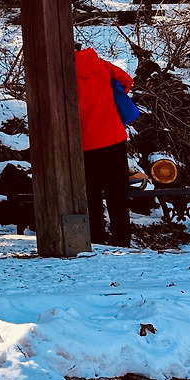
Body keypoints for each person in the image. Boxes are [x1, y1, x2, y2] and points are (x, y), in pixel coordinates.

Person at [74, 45, 134, 247]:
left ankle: (97, 240)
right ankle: (122, 241)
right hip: (113, 137)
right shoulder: (102, 65)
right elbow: (126, 80)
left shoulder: (63, 72)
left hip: (85, 143)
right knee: (117, 195)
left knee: (91, 195)